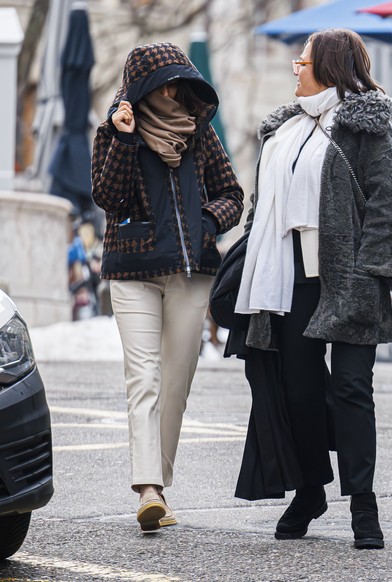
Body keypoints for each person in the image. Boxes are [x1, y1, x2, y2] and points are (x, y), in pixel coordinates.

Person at [226, 29, 392, 550]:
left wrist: (367, 269)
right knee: (300, 392)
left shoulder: (364, 126)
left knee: (352, 390)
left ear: (328, 66)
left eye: (302, 60)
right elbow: (263, 207)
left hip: (348, 277)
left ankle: (363, 501)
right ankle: (310, 490)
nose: (294, 68)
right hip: (288, 280)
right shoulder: (283, 129)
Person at [91, 43, 244, 531]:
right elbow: (106, 196)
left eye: (181, 82)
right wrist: (124, 139)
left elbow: (233, 195)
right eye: (166, 83)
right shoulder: (113, 132)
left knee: (176, 383)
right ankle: (148, 490)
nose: (175, 91)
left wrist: (205, 222)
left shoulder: (198, 132)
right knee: (145, 379)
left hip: (191, 271)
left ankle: (160, 483)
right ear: (141, 88)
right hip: (131, 271)